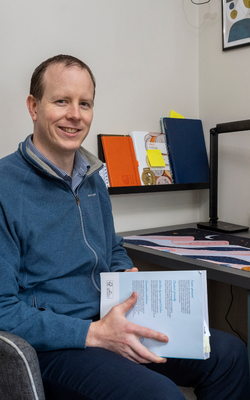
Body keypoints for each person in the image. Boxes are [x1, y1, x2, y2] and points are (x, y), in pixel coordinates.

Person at [0, 54, 249, 400]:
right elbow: (3, 310)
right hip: (56, 345)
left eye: (84, 103)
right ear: (34, 106)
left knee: (230, 355)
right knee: (161, 396)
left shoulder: (91, 180)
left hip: (112, 321)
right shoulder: (4, 187)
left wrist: (125, 274)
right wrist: (94, 333)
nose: (75, 114)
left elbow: (112, 248)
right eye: (61, 101)